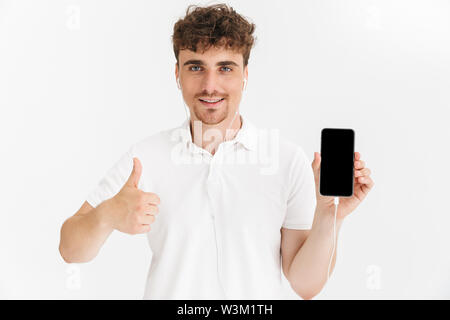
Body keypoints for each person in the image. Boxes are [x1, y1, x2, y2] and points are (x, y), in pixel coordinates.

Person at [59, 3, 374, 300]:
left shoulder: (286, 160)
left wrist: (329, 216)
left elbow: (305, 286)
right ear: (177, 74)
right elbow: (70, 249)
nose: (210, 85)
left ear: (245, 75)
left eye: (225, 68)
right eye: (196, 67)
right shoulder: (145, 157)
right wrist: (107, 214)